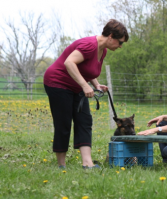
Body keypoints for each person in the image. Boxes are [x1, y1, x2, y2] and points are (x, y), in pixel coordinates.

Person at [44, 19, 129, 169]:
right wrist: (85, 85)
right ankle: (61, 165)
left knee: (84, 121)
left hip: (76, 86)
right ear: (110, 36)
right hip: (58, 83)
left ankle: (87, 163)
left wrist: (96, 84)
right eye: (120, 42)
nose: (121, 46)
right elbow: (69, 63)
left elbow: (86, 69)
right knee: (63, 123)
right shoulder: (89, 45)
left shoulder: (103, 50)